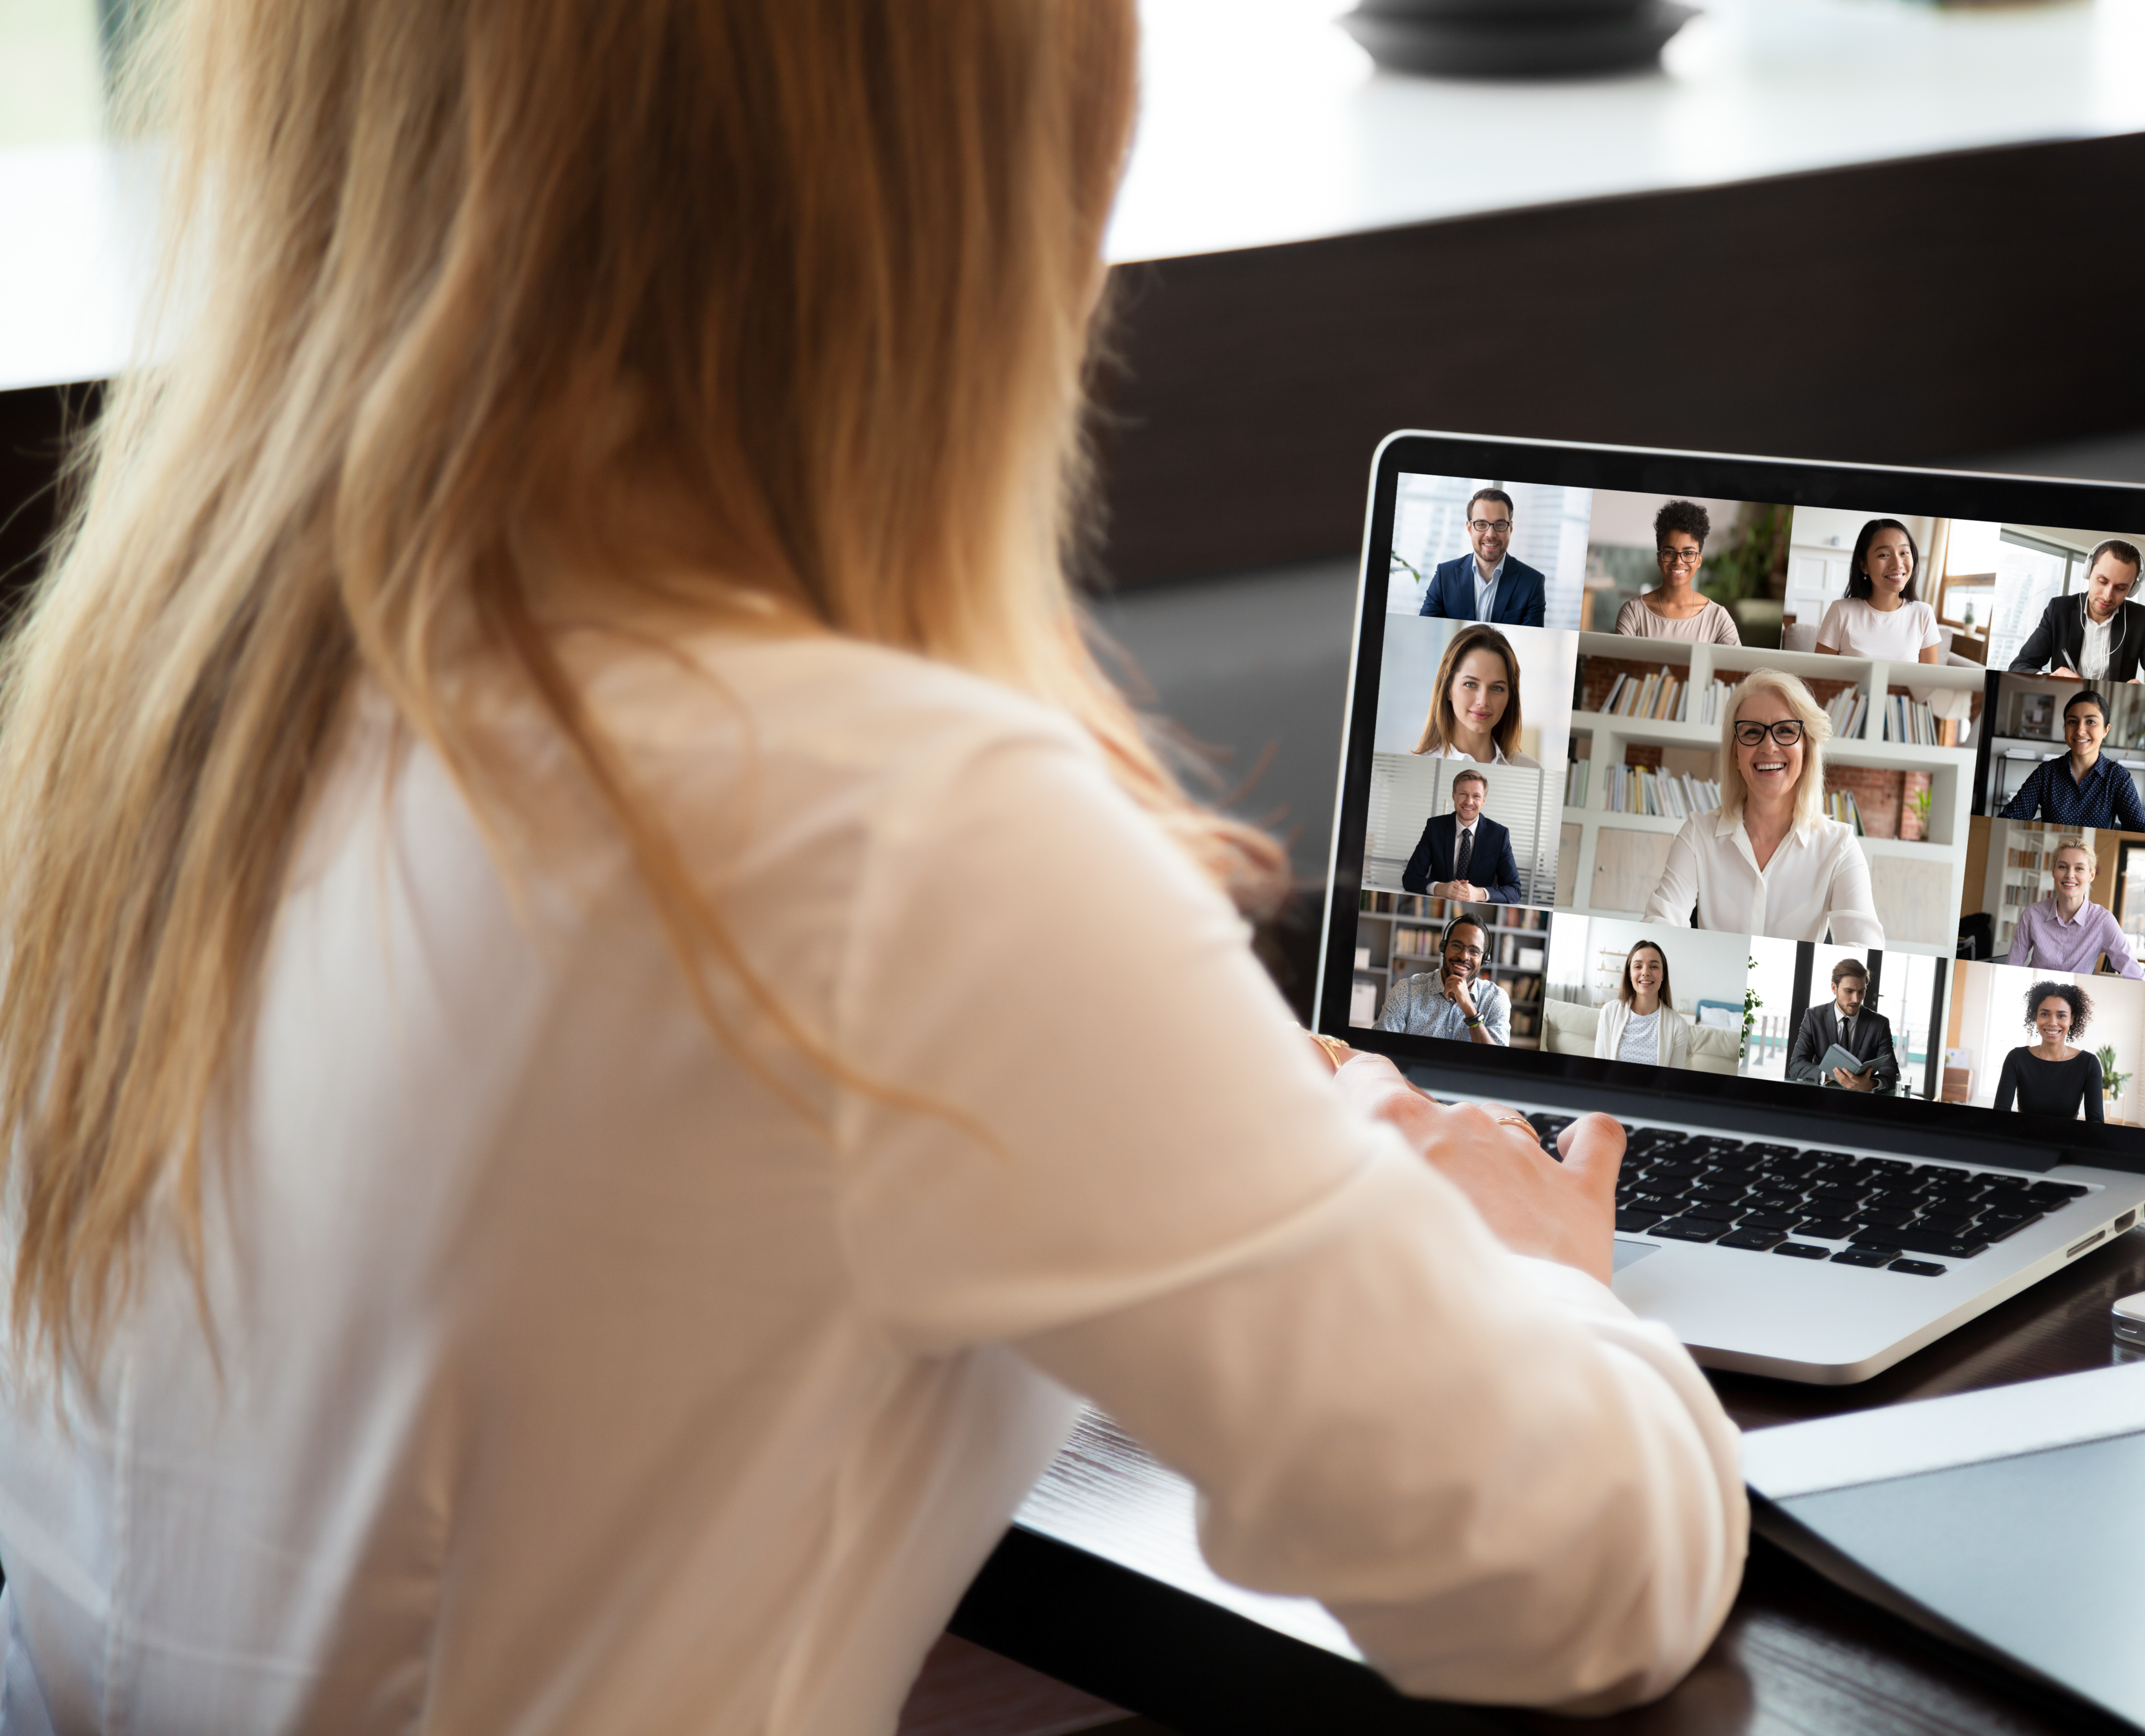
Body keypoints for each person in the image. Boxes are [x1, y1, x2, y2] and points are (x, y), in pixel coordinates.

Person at [0, 2, 1749, 1726]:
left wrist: (1204, 1166)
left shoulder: (139, 718)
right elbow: (1566, 1575)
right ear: (969, 174)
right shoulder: (887, 835)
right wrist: (1519, 1277)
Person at [1641, 669, 1883, 942]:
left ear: (1806, 748)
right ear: (1735, 754)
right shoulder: (1698, 835)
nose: (1769, 747)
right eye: (1753, 732)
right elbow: (1659, 927)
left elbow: (1863, 952)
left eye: (1785, 730)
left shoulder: (1840, 847)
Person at [2005, 539, 2145, 687]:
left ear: (2132, 590)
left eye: (2121, 588)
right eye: (2102, 581)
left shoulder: (2140, 620)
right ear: (2088, 572)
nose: (2108, 596)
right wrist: (2050, 677)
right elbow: (2019, 667)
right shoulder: (2059, 610)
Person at [2000, 689, 2145, 831]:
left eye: (2091, 722)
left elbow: (2143, 833)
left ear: (2106, 730)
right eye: (2073, 721)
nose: (2080, 731)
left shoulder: (2118, 777)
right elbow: (2008, 820)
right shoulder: (2046, 773)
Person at [1813, 518, 1944, 664]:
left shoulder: (1924, 614)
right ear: (1864, 565)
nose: (1897, 564)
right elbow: (1819, 679)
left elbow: (1929, 684)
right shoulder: (1841, 612)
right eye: (1884, 555)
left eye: (1904, 553)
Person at [2008, 840, 2145, 978]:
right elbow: (2012, 968)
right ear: (2053, 871)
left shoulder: (2104, 921)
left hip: (2076, 998)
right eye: (2063, 867)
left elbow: (2136, 976)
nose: (2070, 875)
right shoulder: (2032, 914)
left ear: (2091, 875)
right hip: (2034, 994)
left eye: (2079, 868)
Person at [1412, 621, 1541, 767]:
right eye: (1470, 685)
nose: (1483, 701)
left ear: (1509, 698)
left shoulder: (1531, 769)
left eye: (1497, 688)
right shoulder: (1416, 767)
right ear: (1448, 689)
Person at [1613, 500, 1743, 643]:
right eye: (1669, 552)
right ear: (1659, 558)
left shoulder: (1718, 618)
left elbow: (1735, 665)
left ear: (1699, 560)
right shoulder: (1633, 613)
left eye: (1688, 553)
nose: (1678, 561)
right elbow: (1619, 665)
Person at [1375, 913, 1510, 1046]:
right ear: (1444, 948)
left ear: (1484, 960)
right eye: (1457, 945)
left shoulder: (1496, 999)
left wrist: (1471, 1012)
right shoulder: (1407, 990)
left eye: (1474, 951)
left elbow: (1498, 1062)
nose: (1464, 957)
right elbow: (1378, 1046)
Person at [1418, 489, 1547, 626]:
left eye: (1500, 525)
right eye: (1481, 524)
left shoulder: (1532, 583)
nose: (1491, 534)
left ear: (1510, 528)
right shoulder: (1444, 575)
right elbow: (1425, 628)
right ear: (1470, 528)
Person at [1403, 769, 1526, 903]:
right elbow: (1410, 878)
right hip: (1439, 904)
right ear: (1454, 795)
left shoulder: (1499, 835)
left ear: (1484, 800)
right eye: (1463, 794)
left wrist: (1480, 894)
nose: (1469, 802)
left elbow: (1514, 890)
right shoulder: (1435, 827)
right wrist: (1440, 888)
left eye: (1476, 796)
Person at [1993, 982, 2108, 1122]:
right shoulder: (2017, 1058)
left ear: (2072, 1019)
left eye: (2061, 1016)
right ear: (2036, 1016)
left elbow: (2096, 1122)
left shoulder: (2089, 1064)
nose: (2053, 1022)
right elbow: (2000, 1114)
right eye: (2045, 1014)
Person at [1784, 957, 1900, 1094]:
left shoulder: (1879, 1024)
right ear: (1834, 988)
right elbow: (1797, 1065)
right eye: (1849, 991)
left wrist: (1870, 1084)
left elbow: (1892, 1072)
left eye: (1862, 991)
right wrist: (1832, 1075)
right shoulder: (1814, 1017)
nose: (1856, 1000)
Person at [1595, 939, 1693, 1067]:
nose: (1645, 972)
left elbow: (1671, 1081)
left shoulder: (1679, 1026)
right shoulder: (1608, 1012)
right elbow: (1599, 1070)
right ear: (1630, 973)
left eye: (1654, 967)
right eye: (1638, 967)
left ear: (1663, 974)